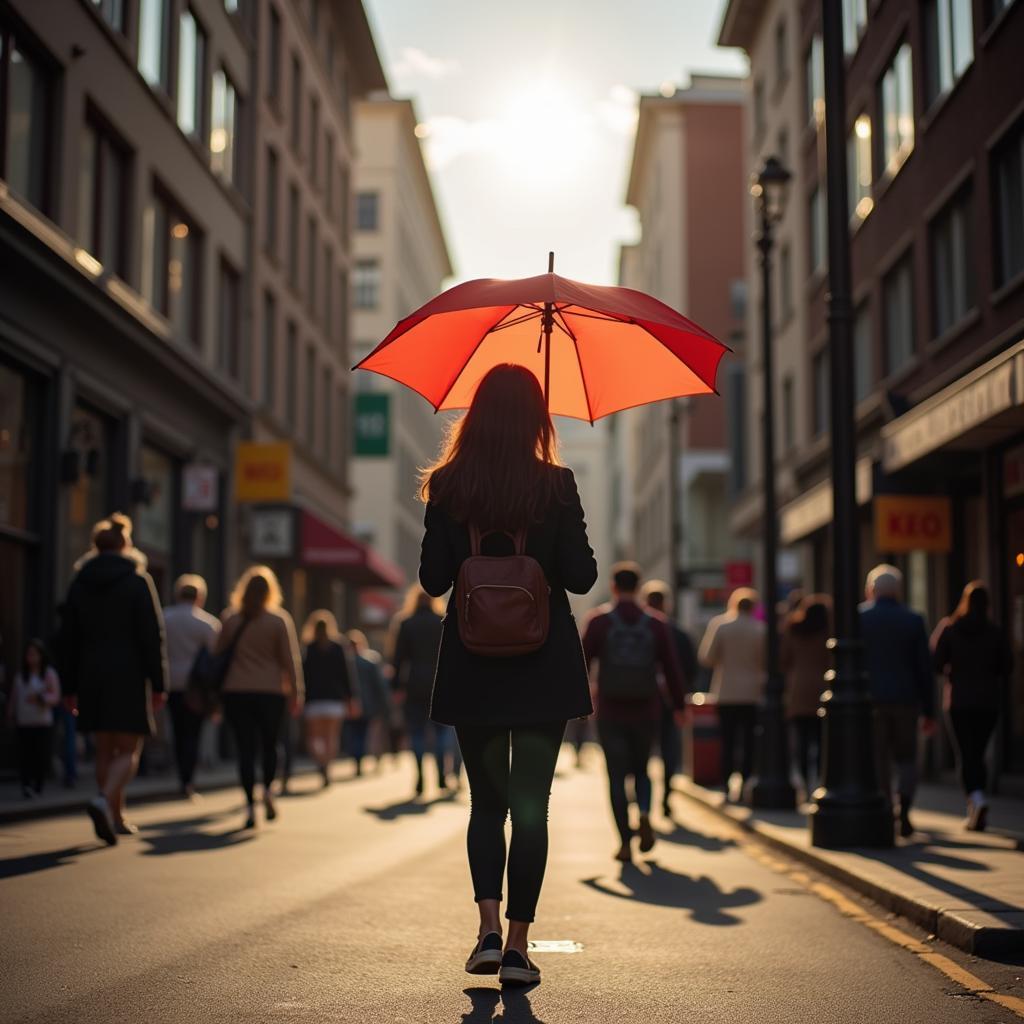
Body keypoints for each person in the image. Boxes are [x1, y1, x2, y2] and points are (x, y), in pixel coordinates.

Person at [419, 363, 597, 988]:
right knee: (532, 808)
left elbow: (434, 580)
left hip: (473, 668)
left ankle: (486, 932)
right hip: (542, 666)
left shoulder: (447, 485)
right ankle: (520, 946)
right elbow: (580, 577)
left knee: (485, 805)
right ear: (536, 419)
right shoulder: (557, 484)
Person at [58, 513, 168, 844]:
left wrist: (69, 686)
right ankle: (104, 801)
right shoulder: (138, 582)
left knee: (105, 749)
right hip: (129, 675)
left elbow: (69, 638)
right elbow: (152, 636)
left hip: (91, 675)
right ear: (125, 545)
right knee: (129, 750)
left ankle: (115, 816)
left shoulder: (80, 583)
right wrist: (159, 684)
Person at [582, 565, 687, 861]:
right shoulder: (655, 623)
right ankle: (643, 811)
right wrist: (679, 707)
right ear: (639, 588)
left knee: (616, 776)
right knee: (642, 770)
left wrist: (579, 704)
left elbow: (582, 662)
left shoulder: (599, 621)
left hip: (610, 711)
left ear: (614, 587)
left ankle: (625, 843)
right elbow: (671, 668)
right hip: (647, 708)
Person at [217, 566, 303, 828]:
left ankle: (248, 805)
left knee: (245, 749)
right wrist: (297, 692)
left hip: (237, 691)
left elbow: (218, 652)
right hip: (271, 691)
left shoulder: (230, 619)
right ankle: (267, 789)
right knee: (270, 744)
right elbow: (290, 660)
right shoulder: (278, 620)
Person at [860, 564, 936, 838]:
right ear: (899, 591)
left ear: (871, 590)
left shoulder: (860, 618)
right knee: (906, 758)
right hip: (906, 699)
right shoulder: (913, 619)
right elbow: (923, 668)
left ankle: (884, 807)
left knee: (878, 756)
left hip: (872, 701)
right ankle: (903, 807)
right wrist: (930, 709)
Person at [932, 581, 1011, 832]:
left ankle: (975, 799)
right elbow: (1007, 666)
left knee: (966, 754)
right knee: (978, 752)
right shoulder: (994, 631)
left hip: (959, 700)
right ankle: (978, 801)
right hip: (988, 700)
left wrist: (953, 669)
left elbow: (935, 662)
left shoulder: (950, 628)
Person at [698, 587, 766, 800]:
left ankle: (727, 784)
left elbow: (706, 657)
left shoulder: (721, 625)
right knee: (749, 741)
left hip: (726, 691)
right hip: (752, 693)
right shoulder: (760, 629)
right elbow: (766, 661)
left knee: (727, 740)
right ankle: (745, 782)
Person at [640, 579, 697, 816]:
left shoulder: (640, 629)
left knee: (642, 752)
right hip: (671, 702)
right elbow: (691, 668)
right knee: (669, 750)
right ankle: (666, 795)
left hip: (643, 700)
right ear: (667, 604)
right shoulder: (679, 634)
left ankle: (643, 801)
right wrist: (681, 701)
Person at [163, 574, 221, 797]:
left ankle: (181, 775)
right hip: (197, 687)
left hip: (172, 682)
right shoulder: (207, 624)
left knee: (177, 730)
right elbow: (216, 657)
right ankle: (188, 779)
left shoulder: (165, 618)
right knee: (193, 732)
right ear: (200, 597)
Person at [390, 585, 448, 796]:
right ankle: (442, 775)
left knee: (417, 732)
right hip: (439, 683)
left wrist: (396, 686)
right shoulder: (442, 622)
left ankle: (420, 776)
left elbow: (398, 658)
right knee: (441, 732)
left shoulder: (406, 623)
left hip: (413, 684)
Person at [780, 594, 832, 796]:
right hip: (823, 689)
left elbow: (783, 660)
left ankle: (804, 781)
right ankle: (820, 780)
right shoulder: (828, 632)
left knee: (801, 741)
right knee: (822, 740)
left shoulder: (793, 630)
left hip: (798, 690)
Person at [301, 610, 356, 787]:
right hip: (334, 700)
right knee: (331, 737)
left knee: (314, 738)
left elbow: (303, 675)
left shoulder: (309, 648)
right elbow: (347, 675)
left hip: (314, 700)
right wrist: (351, 697)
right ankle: (327, 765)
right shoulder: (339, 647)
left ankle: (320, 762)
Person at [7, 639, 61, 798]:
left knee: (40, 755)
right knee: (25, 755)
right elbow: (14, 698)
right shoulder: (21, 676)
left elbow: (55, 696)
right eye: (28, 654)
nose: (31, 658)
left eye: (34, 654)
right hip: (24, 721)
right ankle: (26, 785)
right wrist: (10, 714)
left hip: (42, 721)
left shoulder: (49, 674)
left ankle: (38, 785)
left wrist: (41, 699)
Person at [348, 629, 390, 774]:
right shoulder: (369, 662)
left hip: (352, 705)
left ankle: (358, 759)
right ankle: (363, 758)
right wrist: (384, 705)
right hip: (368, 704)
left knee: (356, 734)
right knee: (365, 733)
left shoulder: (348, 662)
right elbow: (380, 685)